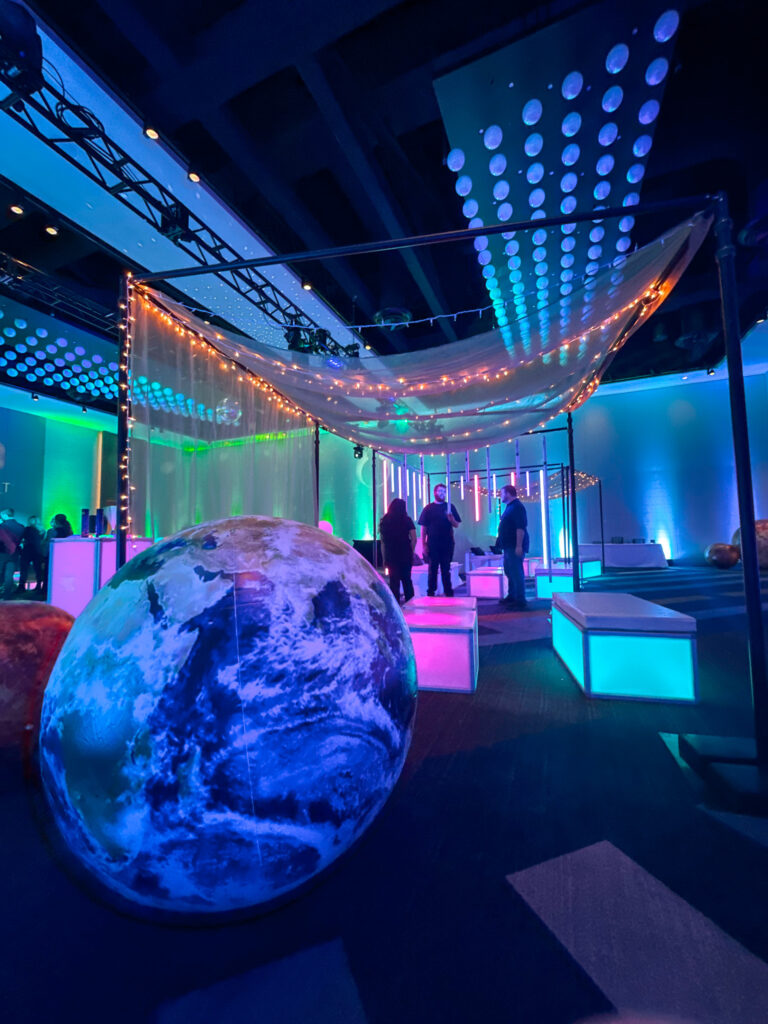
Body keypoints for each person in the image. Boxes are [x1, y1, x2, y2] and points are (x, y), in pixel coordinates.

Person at [418, 483, 461, 598]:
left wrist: (451, 519)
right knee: (432, 568)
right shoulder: (428, 508)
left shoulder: (450, 506)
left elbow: (456, 524)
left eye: (444, 491)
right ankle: (431, 592)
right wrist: (424, 544)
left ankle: (448, 592)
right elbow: (424, 528)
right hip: (433, 544)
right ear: (434, 493)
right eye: (440, 491)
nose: (442, 493)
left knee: (446, 568)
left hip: (447, 543)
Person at [497, 484, 529, 609]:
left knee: (516, 572)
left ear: (508, 493)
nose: (500, 495)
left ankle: (520, 599)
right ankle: (512, 595)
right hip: (508, 546)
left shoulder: (517, 507)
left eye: (502, 493)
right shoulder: (510, 507)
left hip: (514, 545)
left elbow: (520, 527)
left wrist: (519, 546)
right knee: (509, 571)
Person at [379, 497, 417, 604]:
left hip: (391, 555)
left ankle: (395, 605)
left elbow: (383, 542)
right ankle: (410, 603)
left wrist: (384, 558)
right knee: (407, 581)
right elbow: (414, 539)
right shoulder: (407, 520)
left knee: (394, 582)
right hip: (405, 554)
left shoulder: (385, 521)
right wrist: (411, 552)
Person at [0, 508, 24, 599]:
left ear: (5, 515)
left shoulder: (2, 526)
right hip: (14, 553)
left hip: (2, 553)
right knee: (9, 575)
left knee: (1, 573)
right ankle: (7, 595)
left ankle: (1, 592)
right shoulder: (21, 526)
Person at [18, 515, 45, 593]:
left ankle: (21, 586)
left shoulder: (27, 529)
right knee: (38, 570)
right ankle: (39, 586)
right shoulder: (42, 530)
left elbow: (21, 538)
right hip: (37, 551)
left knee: (24, 569)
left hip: (27, 550)